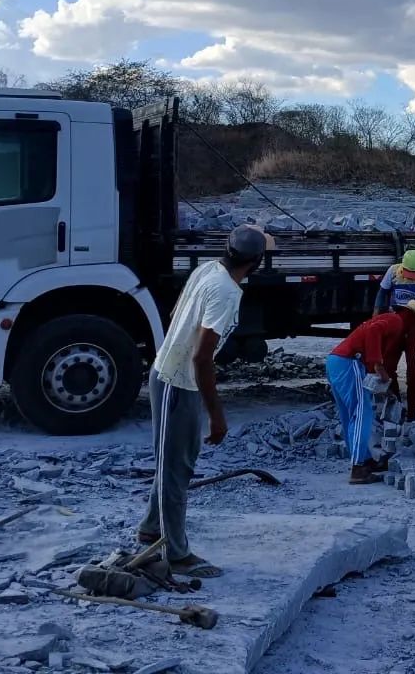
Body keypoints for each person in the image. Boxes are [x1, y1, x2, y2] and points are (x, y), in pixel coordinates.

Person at [137, 224, 267, 579]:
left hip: (178, 380)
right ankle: (176, 554)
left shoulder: (208, 269)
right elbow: (200, 357)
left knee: (176, 462)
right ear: (256, 263)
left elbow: (176, 314)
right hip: (176, 383)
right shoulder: (225, 292)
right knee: (175, 471)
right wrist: (217, 415)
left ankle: (150, 528)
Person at [329, 301, 415, 483]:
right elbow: (373, 331)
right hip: (349, 362)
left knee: (350, 415)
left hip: (336, 361)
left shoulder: (390, 320)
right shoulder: (396, 321)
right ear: (412, 317)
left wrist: (384, 387)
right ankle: (358, 469)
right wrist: (377, 364)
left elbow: (373, 339)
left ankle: (365, 460)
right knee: (362, 412)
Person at [375, 249, 415, 334]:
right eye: (408, 272)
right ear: (402, 266)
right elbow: (382, 293)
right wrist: (374, 317)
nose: (410, 277)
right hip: (394, 319)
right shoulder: (393, 271)